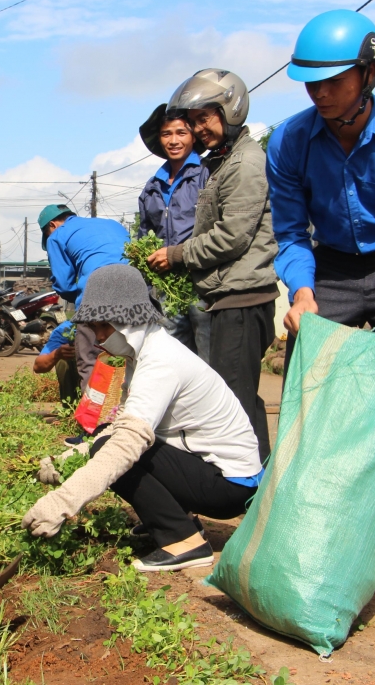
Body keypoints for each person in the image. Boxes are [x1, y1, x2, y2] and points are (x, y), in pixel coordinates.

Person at [267, 10, 375, 604]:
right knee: (305, 400)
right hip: (331, 269)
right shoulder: (290, 141)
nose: (318, 93)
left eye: (333, 81)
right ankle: (297, 540)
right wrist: (302, 293)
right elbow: (291, 233)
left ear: (369, 73)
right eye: (310, 82)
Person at [22, 265, 263, 572]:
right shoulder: (145, 351)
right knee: (109, 438)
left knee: (115, 449)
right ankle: (176, 519)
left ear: (125, 320)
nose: (97, 338)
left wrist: (63, 502)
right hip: (211, 470)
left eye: (102, 327)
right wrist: (68, 458)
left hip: (230, 485)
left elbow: (126, 442)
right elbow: (125, 419)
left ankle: (184, 540)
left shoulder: (161, 361)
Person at [147, 69, 279, 465]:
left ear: (231, 109)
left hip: (242, 297)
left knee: (234, 403)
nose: (198, 128)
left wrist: (176, 254)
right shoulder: (224, 162)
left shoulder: (245, 164)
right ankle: (257, 491)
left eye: (205, 118)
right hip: (226, 296)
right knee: (237, 399)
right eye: (195, 120)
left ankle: (248, 490)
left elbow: (231, 237)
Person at [136, 104, 211, 359]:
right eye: (167, 134)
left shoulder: (206, 174)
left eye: (181, 132)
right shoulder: (152, 186)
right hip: (167, 285)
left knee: (207, 351)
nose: (174, 140)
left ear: (193, 136)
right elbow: (144, 233)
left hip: (202, 279)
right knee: (173, 354)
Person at [38, 204, 129, 390]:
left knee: (91, 363)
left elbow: (64, 284)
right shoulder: (112, 224)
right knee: (133, 357)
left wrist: (82, 299)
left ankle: (97, 418)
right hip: (136, 288)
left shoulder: (56, 235)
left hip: (96, 290)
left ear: (53, 225)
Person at [31, 321, 79, 405]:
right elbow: (38, 367)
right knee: (63, 359)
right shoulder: (66, 329)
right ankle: (70, 406)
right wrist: (57, 354)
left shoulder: (105, 325)